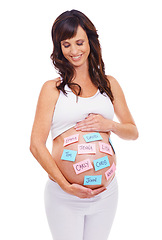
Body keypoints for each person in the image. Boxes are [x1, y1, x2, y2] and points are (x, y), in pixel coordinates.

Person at [30, 9, 138, 240]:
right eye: (66, 45)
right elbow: (36, 146)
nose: (74, 51)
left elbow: (132, 132)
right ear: (59, 48)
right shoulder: (53, 89)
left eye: (79, 42)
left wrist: (109, 124)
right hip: (64, 196)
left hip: (106, 194)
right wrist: (65, 185)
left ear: (90, 40)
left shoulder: (109, 85)